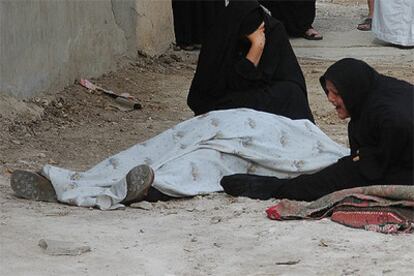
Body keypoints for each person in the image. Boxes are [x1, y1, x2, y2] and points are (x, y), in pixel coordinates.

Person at [10, 108, 348, 210]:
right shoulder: (314, 133)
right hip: (218, 122)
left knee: (196, 166)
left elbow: (292, 159)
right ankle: (67, 179)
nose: (333, 104)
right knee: (153, 148)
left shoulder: (330, 157)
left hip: (242, 148)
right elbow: (205, 95)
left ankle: (143, 189)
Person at [221, 58, 413, 201]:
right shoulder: (376, 90)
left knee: (339, 177)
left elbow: (398, 128)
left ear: (354, 90)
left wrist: (369, 159)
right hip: (396, 152)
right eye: (328, 92)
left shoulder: (388, 114)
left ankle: (274, 188)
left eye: (336, 93)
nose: (330, 98)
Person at [187, 0, 314, 122]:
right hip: (228, 100)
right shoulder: (221, 36)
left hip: (259, 94)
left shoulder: (273, 32)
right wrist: (255, 50)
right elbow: (204, 95)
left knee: (292, 94)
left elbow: (286, 82)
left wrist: (259, 47)